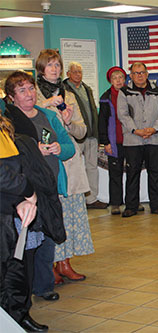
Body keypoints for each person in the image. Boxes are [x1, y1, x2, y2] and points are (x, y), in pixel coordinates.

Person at [34, 50, 94, 287]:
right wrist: (47, 105)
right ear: (41, 68)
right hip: (47, 164)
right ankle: (51, 264)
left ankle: (65, 263)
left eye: (58, 65)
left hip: (70, 164)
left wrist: (69, 123)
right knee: (52, 214)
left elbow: (82, 131)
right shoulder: (34, 95)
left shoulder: (68, 95)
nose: (55, 69)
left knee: (70, 215)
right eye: (50, 65)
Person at [0, 114, 49, 332]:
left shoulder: (4, 128)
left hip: (8, 211)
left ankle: (17, 318)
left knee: (13, 271)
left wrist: (21, 199)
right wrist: (27, 192)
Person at [117, 62, 158, 217]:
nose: (139, 76)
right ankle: (131, 206)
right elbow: (123, 114)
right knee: (133, 173)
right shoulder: (124, 92)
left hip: (154, 138)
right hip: (133, 139)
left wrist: (154, 128)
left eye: (142, 72)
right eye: (136, 73)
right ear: (131, 76)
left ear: (147, 74)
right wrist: (136, 130)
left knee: (155, 172)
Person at [99, 66, 146, 215]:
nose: (118, 81)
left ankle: (133, 201)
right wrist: (105, 142)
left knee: (133, 171)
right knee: (115, 172)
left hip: (132, 139)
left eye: (120, 77)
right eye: (115, 78)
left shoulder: (132, 93)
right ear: (110, 81)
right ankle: (116, 203)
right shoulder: (106, 97)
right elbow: (102, 121)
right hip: (115, 140)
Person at [63, 61, 107, 209]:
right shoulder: (64, 90)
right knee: (74, 167)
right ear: (68, 74)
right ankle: (76, 199)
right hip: (75, 135)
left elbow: (93, 110)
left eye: (80, 72)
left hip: (91, 134)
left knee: (92, 167)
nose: (77, 74)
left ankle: (92, 199)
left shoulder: (86, 89)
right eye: (74, 72)